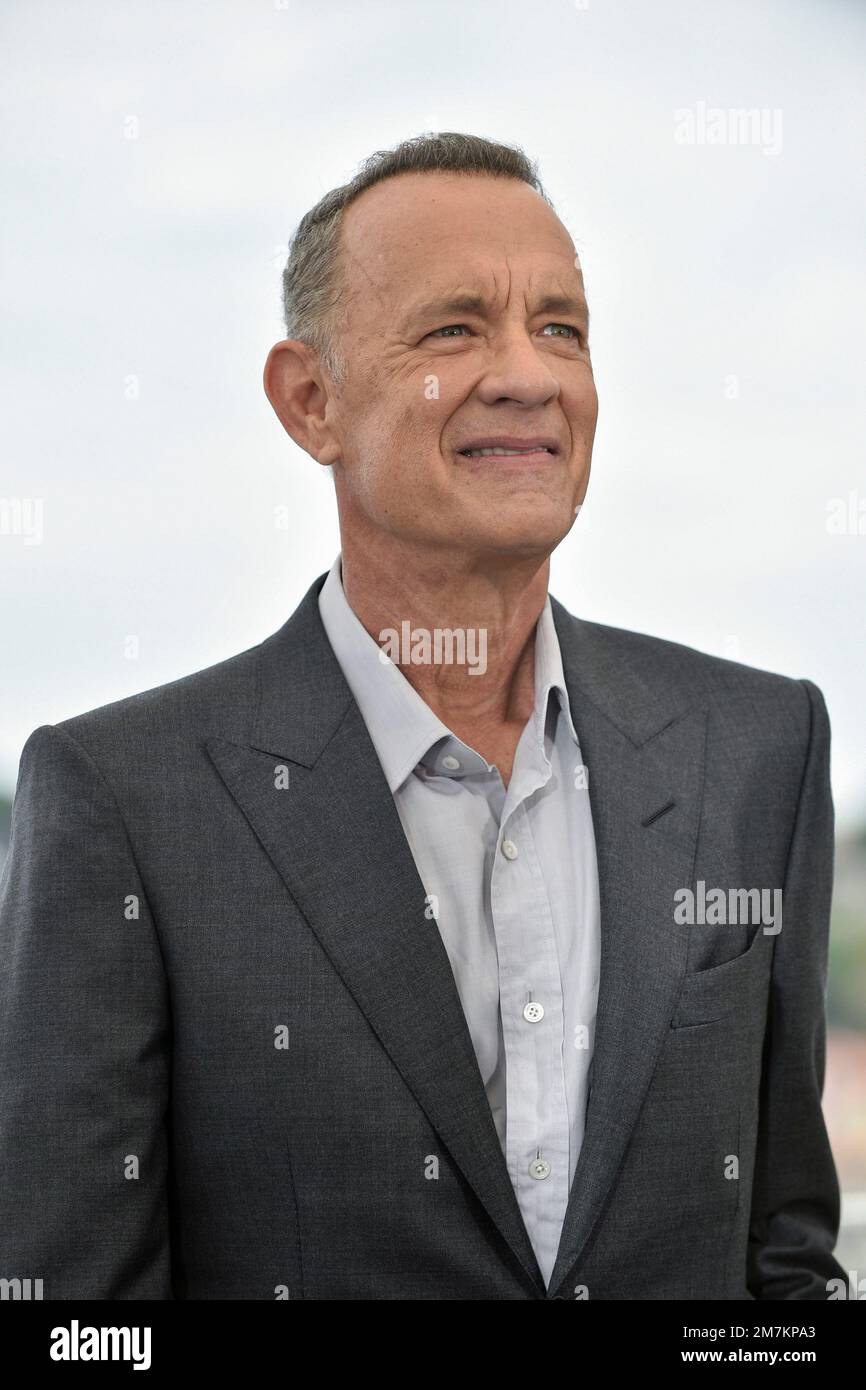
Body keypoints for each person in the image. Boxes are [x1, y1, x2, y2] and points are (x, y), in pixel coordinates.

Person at [0, 132, 845, 1300]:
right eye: (454, 328)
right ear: (310, 402)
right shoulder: (123, 797)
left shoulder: (758, 749)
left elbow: (782, 1261)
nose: (527, 373)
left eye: (560, 327)